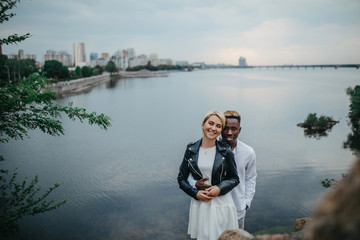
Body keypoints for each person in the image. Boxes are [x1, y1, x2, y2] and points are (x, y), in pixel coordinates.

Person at [188, 110, 257, 230]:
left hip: (237, 210)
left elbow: (250, 178)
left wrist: (246, 203)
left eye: (234, 129)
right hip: (212, 209)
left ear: (239, 130)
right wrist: (194, 184)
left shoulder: (248, 152)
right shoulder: (207, 148)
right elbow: (189, 173)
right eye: (226, 128)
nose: (229, 133)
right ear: (221, 129)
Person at [177, 110, 240, 240]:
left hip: (220, 204)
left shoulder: (225, 151)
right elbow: (181, 178)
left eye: (218, 126)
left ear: (221, 130)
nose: (213, 128)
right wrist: (195, 193)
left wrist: (219, 188)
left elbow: (234, 178)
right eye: (210, 123)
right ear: (203, 125)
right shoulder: (191, 149)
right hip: (200, 204)